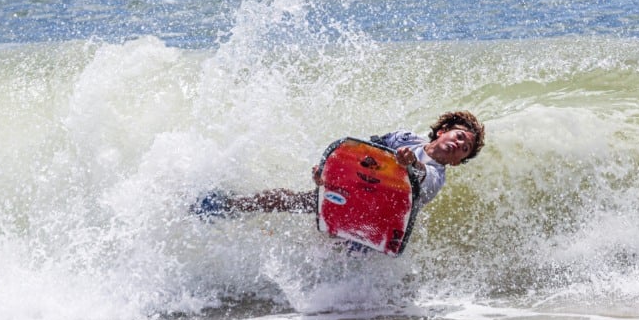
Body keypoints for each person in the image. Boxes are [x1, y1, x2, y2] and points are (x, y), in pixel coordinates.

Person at [191, 110, 485, 218]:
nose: (461, 144)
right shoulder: (404, 137)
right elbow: (359, 151)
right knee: (284, 199)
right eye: (460, 136)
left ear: (459, 162)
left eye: (466, 148)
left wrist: (412, 167)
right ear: (443, 131)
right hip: (349, 195)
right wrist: (327, 173)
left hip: (377, 218)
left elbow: (423, 180)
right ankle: (226, 206)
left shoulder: (436, 174)